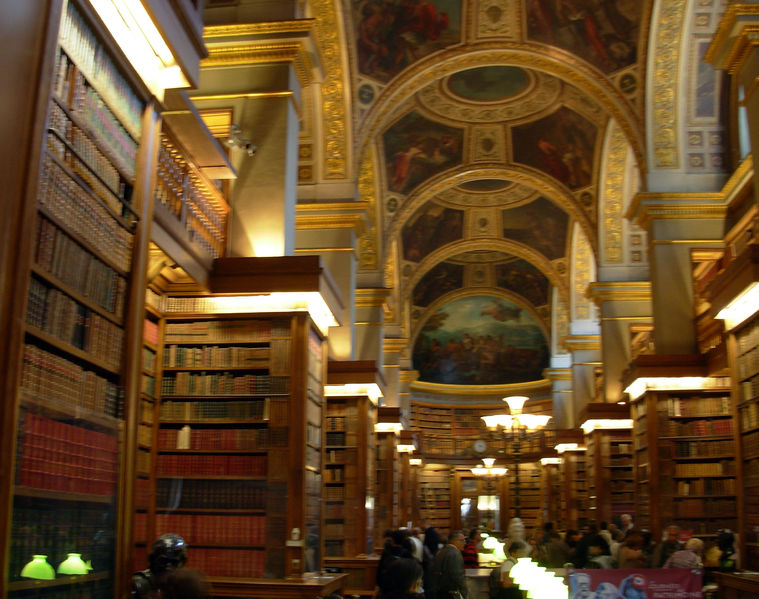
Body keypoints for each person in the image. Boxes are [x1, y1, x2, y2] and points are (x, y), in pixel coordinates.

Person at [132, 533, 189, 599]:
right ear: (153, 559)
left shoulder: (180, 587)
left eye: (174, 563)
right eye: (164, 561)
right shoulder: (140, 584)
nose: (169, 567)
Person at [430, 531, 468, 599]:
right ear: (454, 541)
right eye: (462, 540)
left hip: (439, 592)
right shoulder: (455, 554)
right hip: (451, 593)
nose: (464, 543)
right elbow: (458, 577)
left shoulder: (441, 551)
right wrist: (465, 594)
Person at [377, 529, 415, 596]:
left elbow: (380, 572)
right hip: (403, 590)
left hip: (387, 589)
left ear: (392, 541)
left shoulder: (386, 553)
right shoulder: (407, 553)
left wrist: (378, 588)